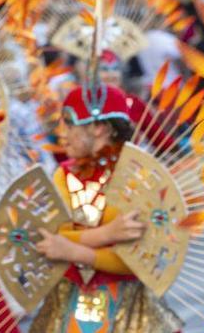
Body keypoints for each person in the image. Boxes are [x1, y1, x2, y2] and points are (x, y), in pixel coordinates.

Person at [29, 83, 182, 333]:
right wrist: (105, 235)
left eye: (69, 123)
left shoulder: (137, 176)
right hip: (68, 305)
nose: (62, 132)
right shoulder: (63, 174)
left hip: (129, 311)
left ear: (100, 128)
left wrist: (73, 251)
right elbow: (47, 238)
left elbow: (138, 259)